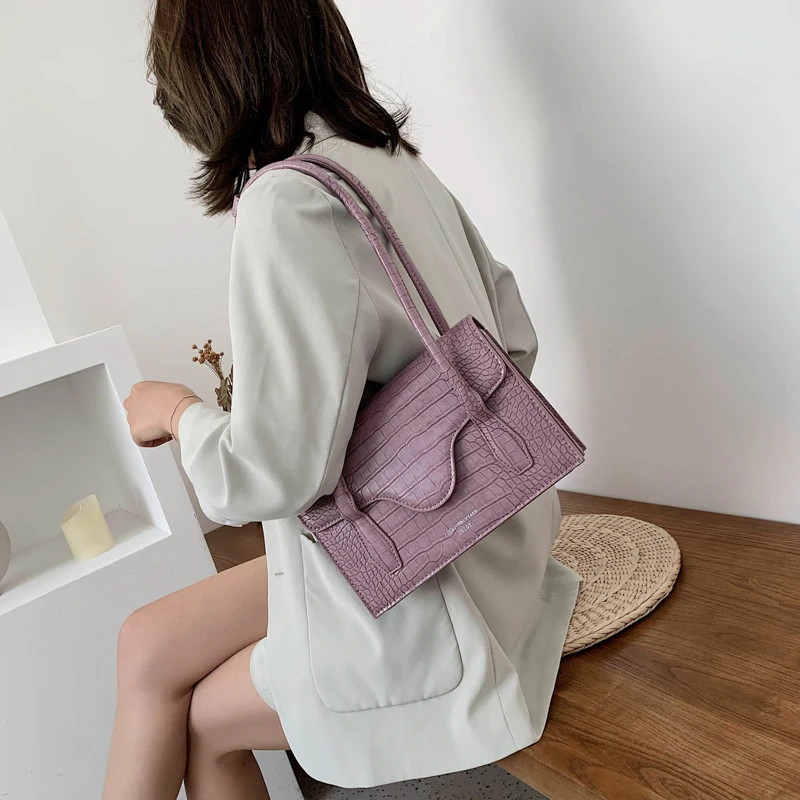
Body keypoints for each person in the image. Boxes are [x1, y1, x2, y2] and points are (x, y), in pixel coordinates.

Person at [106, 1, 580, 798]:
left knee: (199, 726)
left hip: (425, 591)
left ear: (206, 76)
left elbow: (268, 476)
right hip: (497, 549)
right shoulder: (389, 162)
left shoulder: (287, 203)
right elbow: (514, 346)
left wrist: (178, 412)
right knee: (145, 642)